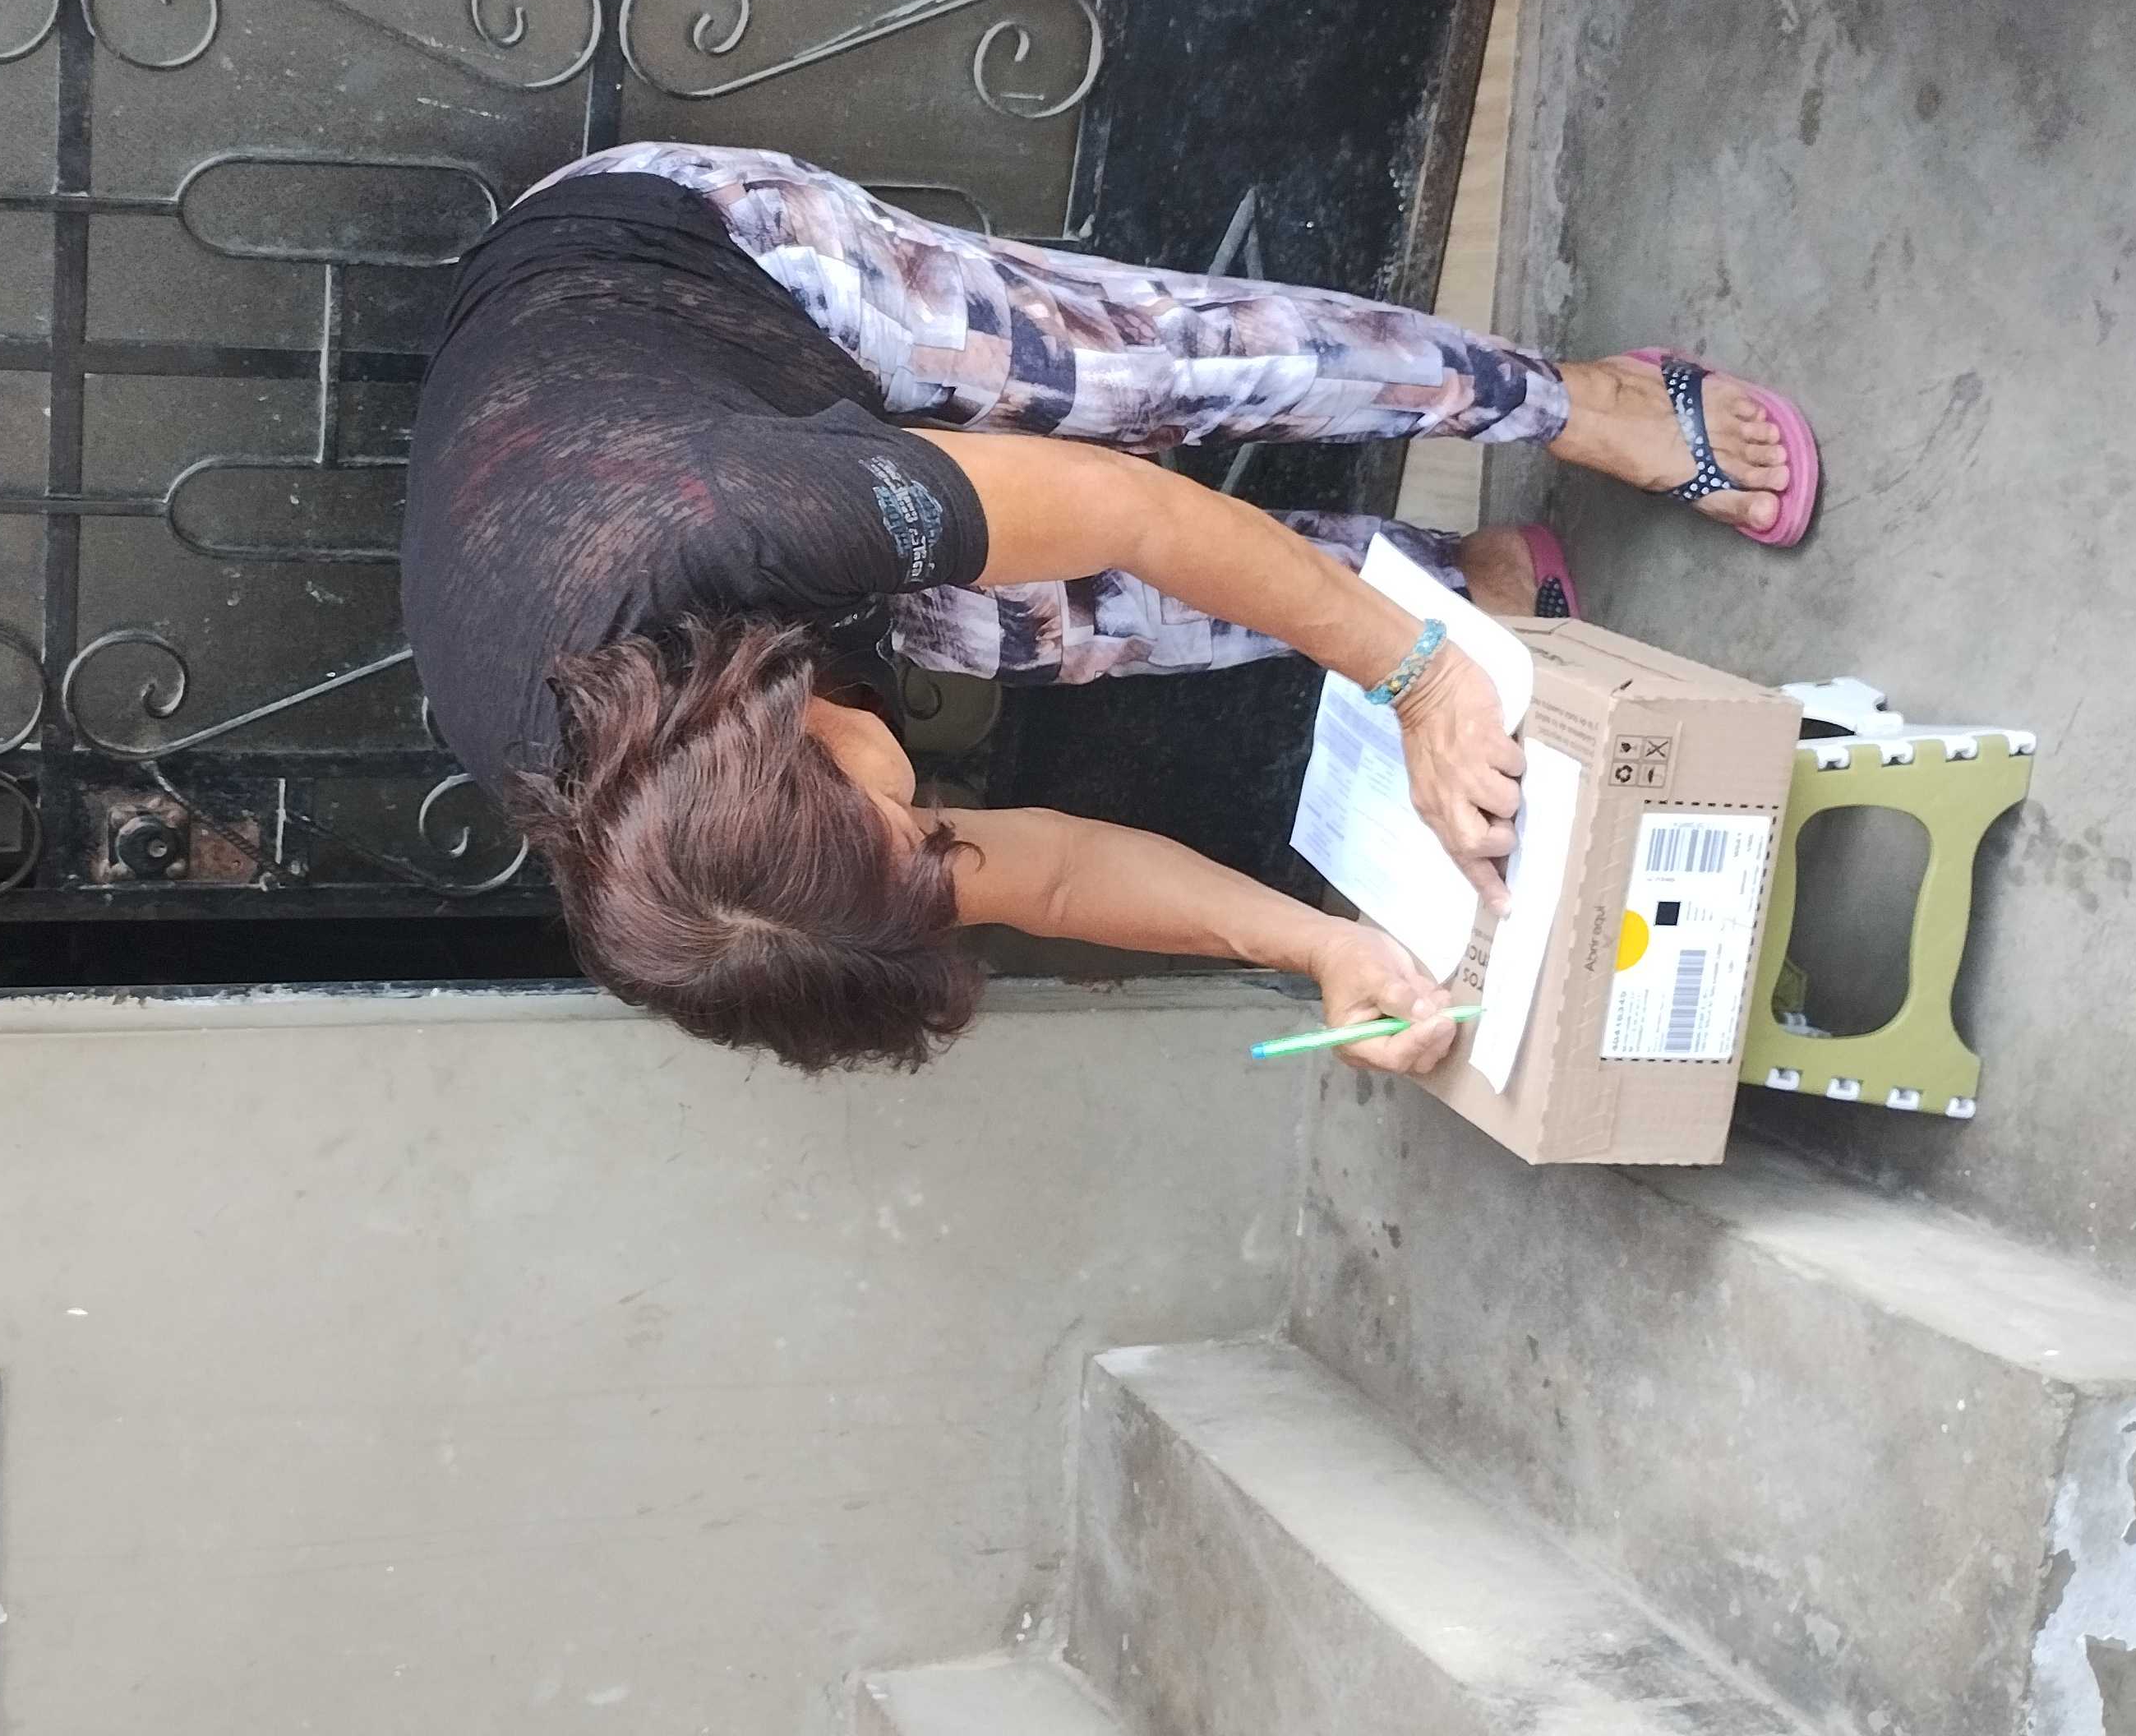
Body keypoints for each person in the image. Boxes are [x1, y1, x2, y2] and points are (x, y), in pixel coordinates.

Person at [398, 145, 1816, 1078]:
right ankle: (1458, 579)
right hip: (638, 490)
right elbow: (1055, 879)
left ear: (784, 727)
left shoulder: (737, 522)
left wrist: (1420, 683)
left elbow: (1131, 505)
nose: (936, 820)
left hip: (683, 267)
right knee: (1080, 626)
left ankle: (1581, 402)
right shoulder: (709, 882)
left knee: (1137, 374)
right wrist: (1320, 946)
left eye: (906, 819)